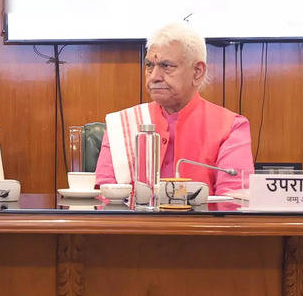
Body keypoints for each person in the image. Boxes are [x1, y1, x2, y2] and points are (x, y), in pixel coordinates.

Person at [94, 22, 254, 196]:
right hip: (134, 224)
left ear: (197, 72)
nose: (154, 77)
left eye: (166, 66)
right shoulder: (122, 125)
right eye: (149, 65)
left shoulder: (230, 127)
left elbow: (234, 205)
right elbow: (104, 201)